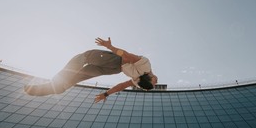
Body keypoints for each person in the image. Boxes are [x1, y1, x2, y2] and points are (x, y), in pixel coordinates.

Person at [24, 37, 158, 103]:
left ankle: (55, 83)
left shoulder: (145, 68)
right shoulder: (140, 75)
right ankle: (62, 86)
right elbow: (122, 85)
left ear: (147, 77)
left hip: (115, 62)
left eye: (154, 82)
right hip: (113, 69)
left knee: (84, 57)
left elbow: (127, 56)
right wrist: (106, 94)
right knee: (82, 74)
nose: (156, 81)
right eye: (155, 83)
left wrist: (110, 47)